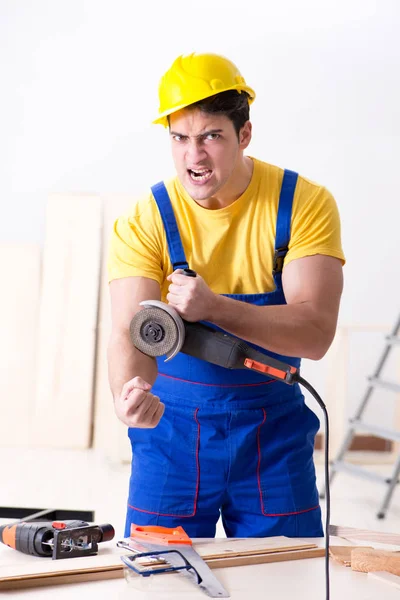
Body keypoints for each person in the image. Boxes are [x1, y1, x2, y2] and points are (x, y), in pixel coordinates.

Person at [107, 52, 345, 539]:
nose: (194, 155)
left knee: (283, 580)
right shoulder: (146, 218)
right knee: (160, 578)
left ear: (244, 134)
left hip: (273, 437)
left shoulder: (301, 204)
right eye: (180, 138)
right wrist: (127, 395)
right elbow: (129, 332)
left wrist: (214, 308)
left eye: (211, 136)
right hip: (169, 434)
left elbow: (316, 334)